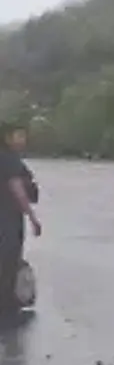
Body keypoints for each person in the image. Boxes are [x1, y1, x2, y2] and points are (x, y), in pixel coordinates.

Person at [0, 121, 41, 310]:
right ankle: (6, 304)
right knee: (8, 260)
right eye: (19, 135)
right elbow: (17, 189)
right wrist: (32, 218)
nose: (23, 140)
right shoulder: (9, 159)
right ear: (8, 138)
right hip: (8, 220)